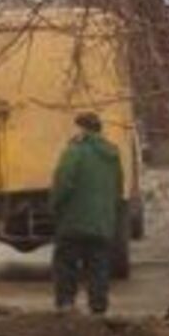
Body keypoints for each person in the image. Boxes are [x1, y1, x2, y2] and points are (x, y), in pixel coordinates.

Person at [50, 111, 123, 315]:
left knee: (66, 262)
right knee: (98, 265)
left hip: (74, 221)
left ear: (81, 128)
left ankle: (66, 304)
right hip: (102, 222)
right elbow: (118, 187)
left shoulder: (74, 152)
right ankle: (98, 308)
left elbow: (63, 183)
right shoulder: (112, 154)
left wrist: (55, 206)